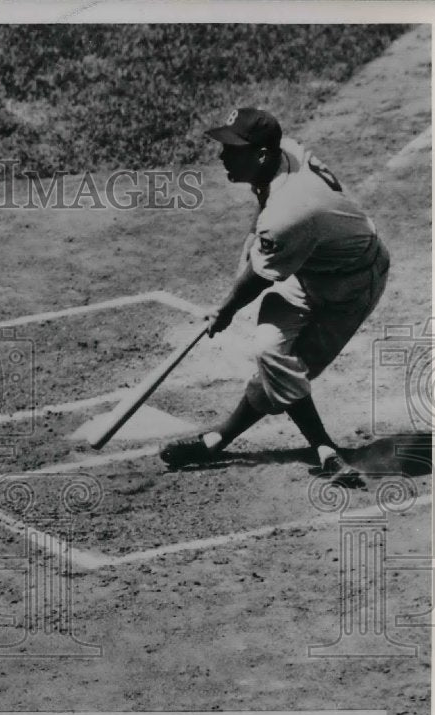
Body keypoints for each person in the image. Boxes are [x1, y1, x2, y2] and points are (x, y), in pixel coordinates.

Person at [159, 108, 390, 486]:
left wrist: (226, 310)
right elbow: (263, 229)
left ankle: (223, 441)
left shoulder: (290, 211)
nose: (221, 156)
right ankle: (321, 449)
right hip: (309, 266)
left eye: (232, 149)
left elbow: (259, 275)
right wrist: (228, 298)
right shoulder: (285, 155)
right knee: (272, 353)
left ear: (261, 155)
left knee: (287, 368)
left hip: (352, 287)